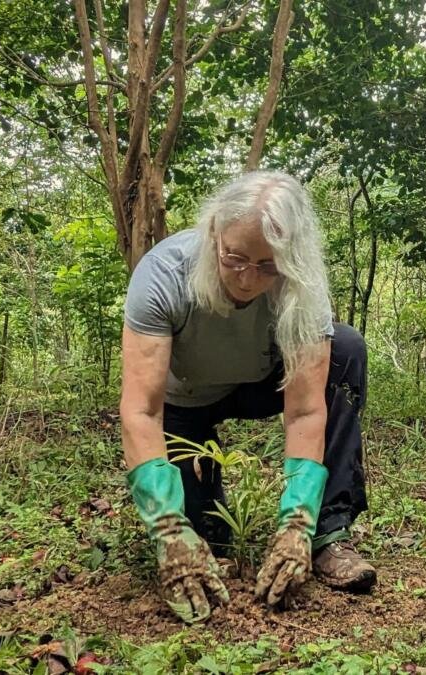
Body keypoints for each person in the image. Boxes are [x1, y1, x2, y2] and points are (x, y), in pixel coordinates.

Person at [119, 171, 374, 624]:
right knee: (205, 538)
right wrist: (167, 527)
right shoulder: (164, 273)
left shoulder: (303, 285)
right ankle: (193, 526)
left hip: (262, 383)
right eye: (235, 258)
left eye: (267, 266)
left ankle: (325, 533)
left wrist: (297, 521)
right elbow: (142, 407)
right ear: (214, 231)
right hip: (186, 401)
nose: (247, 279)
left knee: (346, 347)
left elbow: (305, 411)